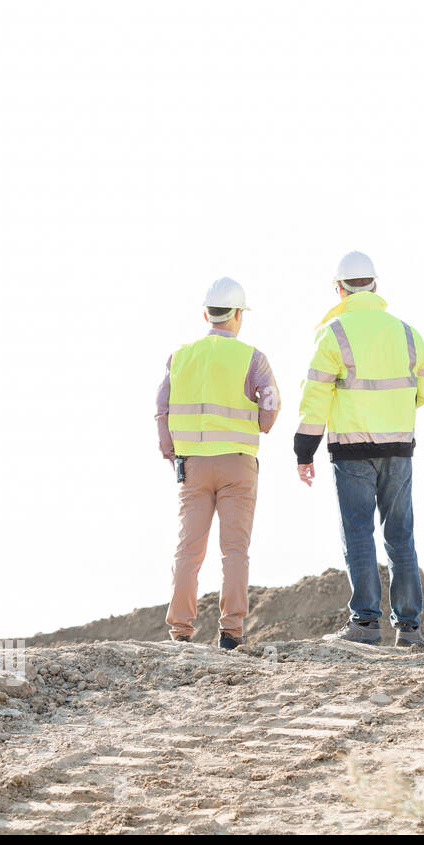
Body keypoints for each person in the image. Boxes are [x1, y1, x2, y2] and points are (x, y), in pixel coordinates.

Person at [295, 250, 424, 648]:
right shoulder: (406, 331)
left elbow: (315, 395)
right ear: (376, 286)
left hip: (351, 447)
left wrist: (304, 449)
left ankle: (366, 623)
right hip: (399, 447)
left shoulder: (333, 332)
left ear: (339, 290)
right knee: (400, 533)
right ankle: (409, 629)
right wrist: (397, 411)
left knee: (358, 533)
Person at [155, 277, 279, 649]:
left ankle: (180, 631)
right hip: (238, 464)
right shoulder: (252, 358)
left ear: (206, 314)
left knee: (188, 549)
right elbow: (271, 405)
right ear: (238, 315)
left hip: (193, 466)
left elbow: (162, 409)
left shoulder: (180, 357)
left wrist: (172, 452)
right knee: (235, 550)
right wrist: (260, 423)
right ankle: (231, 632)